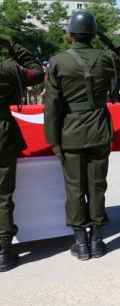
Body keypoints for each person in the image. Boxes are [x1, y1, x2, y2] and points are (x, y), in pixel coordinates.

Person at [44, 11, 120, 260]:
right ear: (94, 34)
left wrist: (53, 141)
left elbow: (52, 106)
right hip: (98, 129)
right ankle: (97, 240)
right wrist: (117, 45)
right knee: (97, 186)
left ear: (70, 34)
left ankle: (81, 243)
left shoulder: (58, 61)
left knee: (75, 188)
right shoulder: (106, 57)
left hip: (70, 133)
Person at [0, 35, 44, 272]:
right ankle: (3, 251)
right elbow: (37, 72)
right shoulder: (7, 69)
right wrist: (12, 45)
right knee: (3, 195)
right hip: (2, 136)